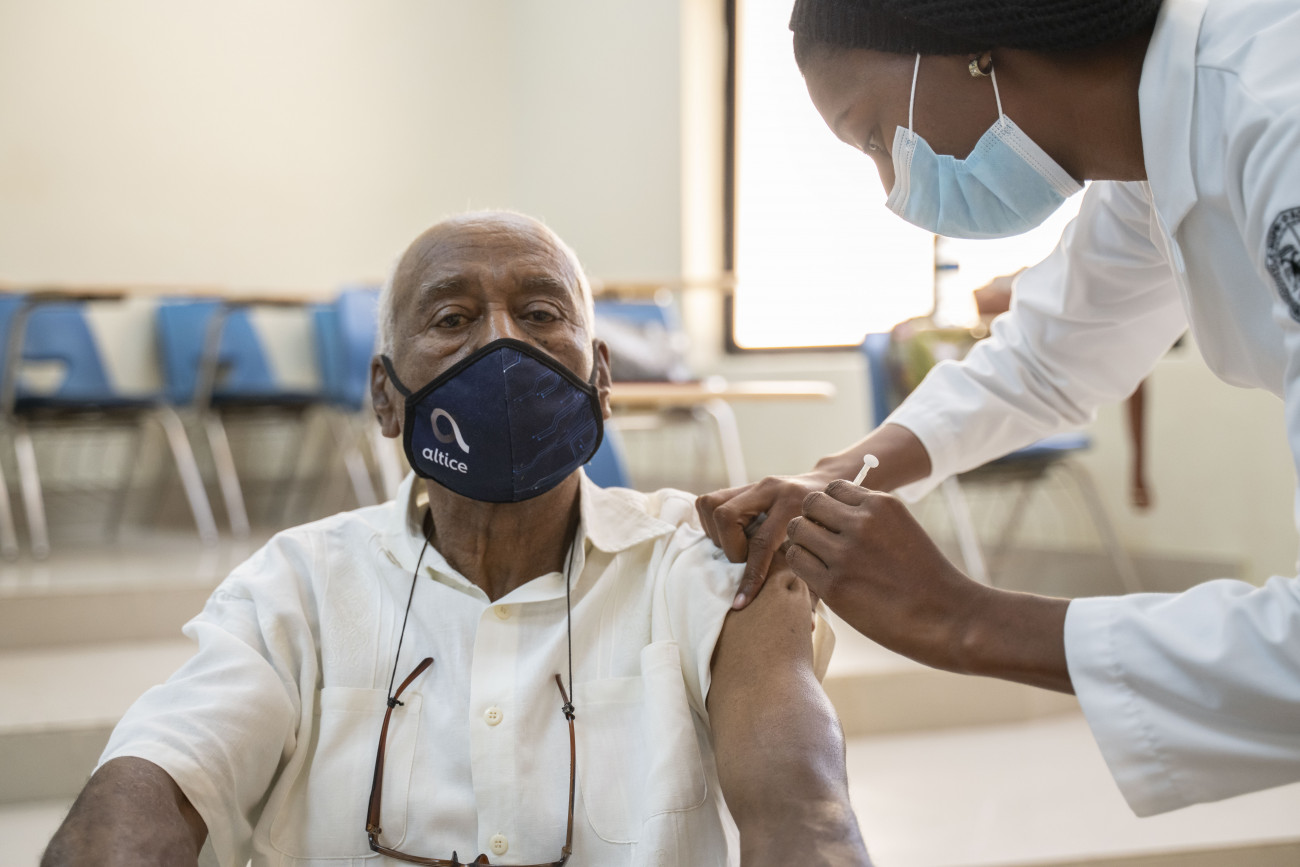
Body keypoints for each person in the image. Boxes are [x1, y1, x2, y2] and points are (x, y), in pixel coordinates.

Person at [44, 212, 869, 867]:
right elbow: (153, 782)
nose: (502, 343)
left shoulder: (709, 570)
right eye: (452, 317)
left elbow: (805, 811)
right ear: (385, 396)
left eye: (540, 313)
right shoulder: (295, 587)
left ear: (601, 380)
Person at [697, 0, 1300, 819]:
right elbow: (1046, 356)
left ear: (974, 47)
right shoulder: (1153, 158)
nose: (892, 186)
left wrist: (962, 618)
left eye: (875, 136)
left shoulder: (1277, 116)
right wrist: (838, 474)